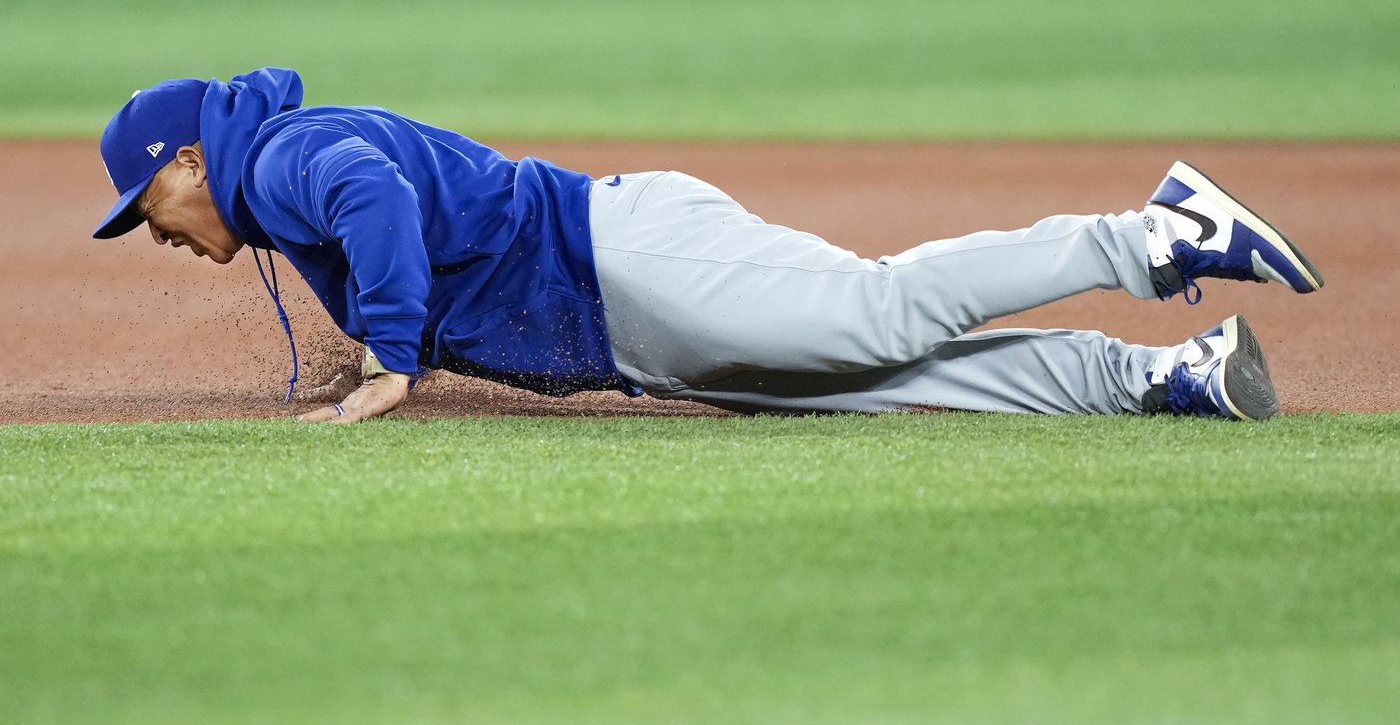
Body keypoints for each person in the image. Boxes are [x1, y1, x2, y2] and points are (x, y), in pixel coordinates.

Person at [92, 68, 1324, 423]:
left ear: (187, 160)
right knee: (888, 381)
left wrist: (391, 361)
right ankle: (1162, 378)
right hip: (636, 331)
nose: (155, 233)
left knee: (875, 312)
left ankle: (1153, 234)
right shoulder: (269, 181)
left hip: (623, 257)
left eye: (146, 205)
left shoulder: (284, 156)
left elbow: (373, 198)